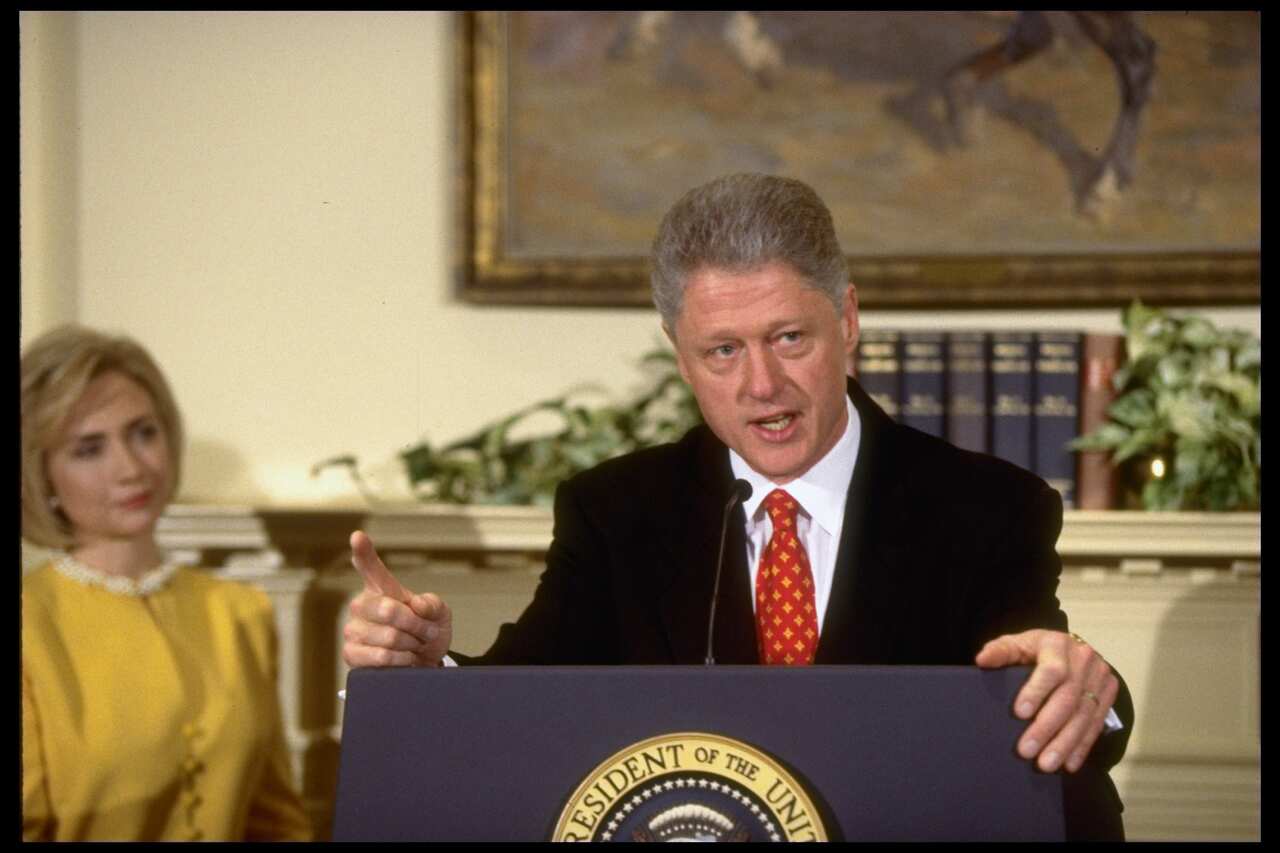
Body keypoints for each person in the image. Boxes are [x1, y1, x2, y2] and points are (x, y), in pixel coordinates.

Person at [341, 173, 1134, 840]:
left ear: (848, 320)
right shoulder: (617, 511)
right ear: (679, 355)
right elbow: (524, 703)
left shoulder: (988, 507)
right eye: (723, 350)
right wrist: (425, 671)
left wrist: (1089, 695)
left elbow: (1045, 686)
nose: (761, 385)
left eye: (790, 337)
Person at [21, 325, 311, 842]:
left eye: (143, 432)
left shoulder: (240, 610)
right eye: (90, 449)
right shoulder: (29, 625)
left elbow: (276, 822)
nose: (131, 468)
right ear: (41, 477)